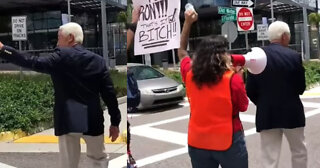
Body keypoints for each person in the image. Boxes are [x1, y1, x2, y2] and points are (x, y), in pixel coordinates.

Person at [0, 22, 121, 168]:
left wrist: (3, 50)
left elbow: (31, 62)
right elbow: (109, 94)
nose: (57, 42)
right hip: (92, 119)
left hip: (68, 119)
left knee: (68, 163)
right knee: (98, 159)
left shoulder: (60, 57)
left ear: (70, 38)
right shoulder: (98, 61)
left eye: (59, 38)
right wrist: (115, 122)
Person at [179, 10, 249, 168]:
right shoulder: (232, 79)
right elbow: (243, 106)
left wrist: (187, 23)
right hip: (228, 141)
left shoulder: (190, 73)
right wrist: (240, 76)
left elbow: (182, 52)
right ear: (221, 54)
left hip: (197, 142)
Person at [246, 21, 307, 168]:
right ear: (284, 36)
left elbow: (250, 90)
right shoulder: (294, 56)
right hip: (292, 112)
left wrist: (263, 102)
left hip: (267, 113)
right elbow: (301, 87)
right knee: (299, 151)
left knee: (269, 158)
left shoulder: (257, 57)